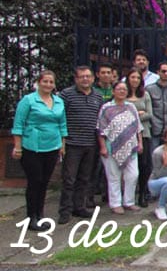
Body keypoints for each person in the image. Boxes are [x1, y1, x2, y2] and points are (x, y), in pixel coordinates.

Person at [12, 70, 67, 231]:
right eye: (45, 81)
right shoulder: (28, 100)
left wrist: (62, 145)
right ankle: (31, 217)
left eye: (51, 82)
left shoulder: (58, 101)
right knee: (34, 181)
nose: (48, 85)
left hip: (52, 146)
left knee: (44, 182)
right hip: (32, 147)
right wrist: (17, 146)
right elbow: (18, 124)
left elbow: (62, 125)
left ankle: (40, 214)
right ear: (38, 82)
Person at [58, 65, 103, 225]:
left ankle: (79, 207)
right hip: (72, 143)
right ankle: (65, 210)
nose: (85, 79)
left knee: (84, 178)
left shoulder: (97, 96)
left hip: (90, 143)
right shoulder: (66, 95)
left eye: (88, 76)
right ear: (76, 79)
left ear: (92, 78)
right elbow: (60, 117)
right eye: (82, 76)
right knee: (69, 179)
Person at [97, 81, 143, 214]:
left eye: (124, 89)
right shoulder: (106, 108)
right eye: (119, 89)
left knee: (133, 175)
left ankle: (129, 201)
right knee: (114, 177)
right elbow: (100, 129)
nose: (122, 91)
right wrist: (103, 147)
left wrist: (140, 142)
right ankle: (115, 203)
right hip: (111, 147)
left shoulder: (131, 107)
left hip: (131, 147)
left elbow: (138, 127)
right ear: (113, 91)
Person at [126, 69, 153, 207]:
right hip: (125, 135)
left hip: (145, 133)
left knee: (144, 165)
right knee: (127, 167)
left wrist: (131, 115)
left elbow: (149, 114)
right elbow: (119, 114)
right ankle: (127, 197)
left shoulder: (145, 94)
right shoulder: (123, 94)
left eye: (138, 77)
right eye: (132, 77)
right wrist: (137, 114)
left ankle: (142, 194)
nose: (135, 80)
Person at [146, 61, 167, 150]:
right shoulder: (149, 89)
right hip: (155, 128)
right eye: (163, 71)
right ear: (158, 72)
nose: (166, 74)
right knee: (154, 156)